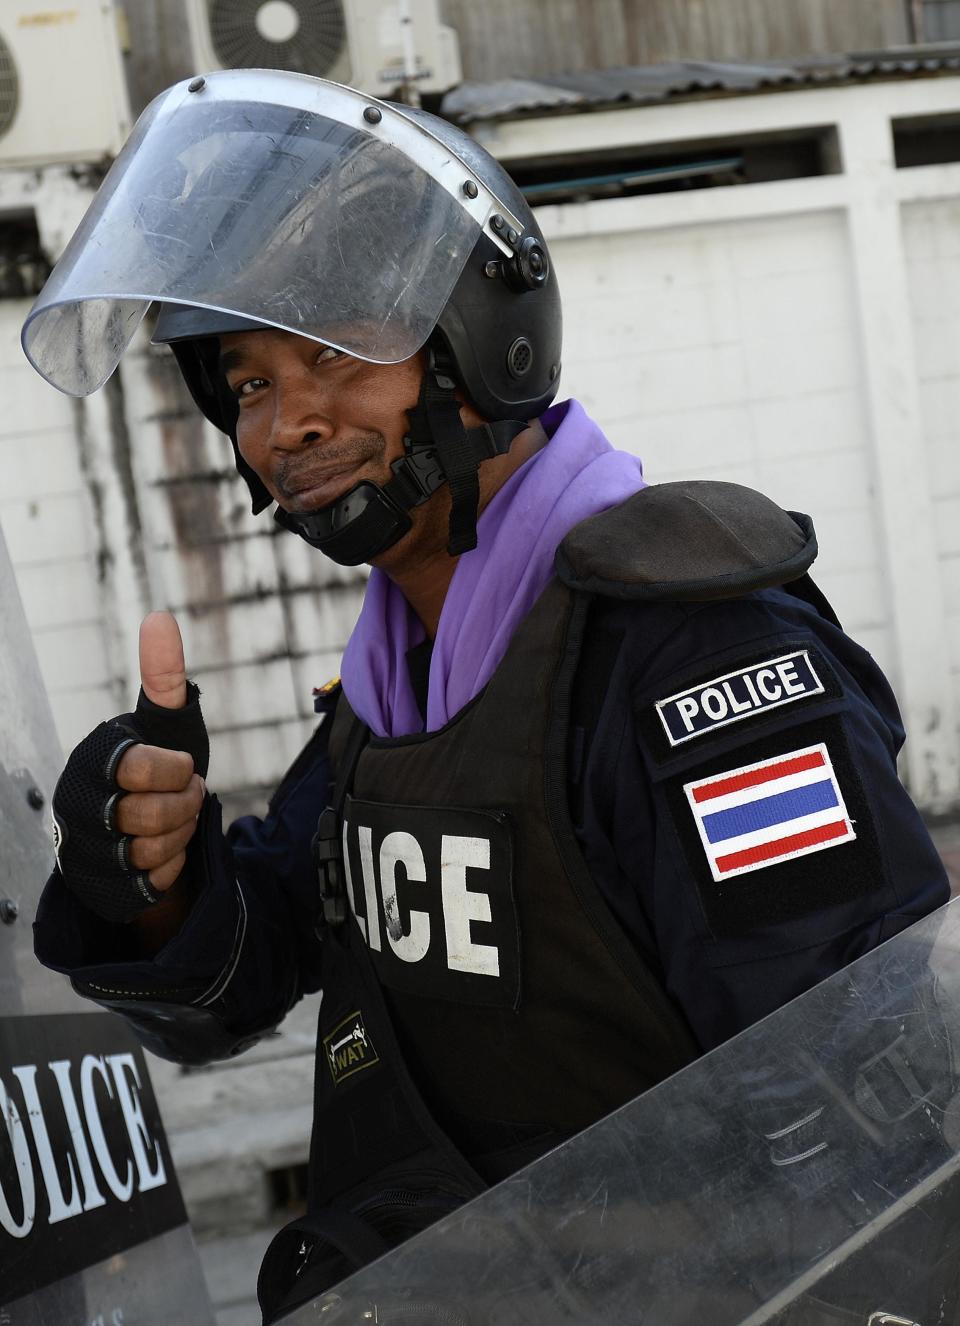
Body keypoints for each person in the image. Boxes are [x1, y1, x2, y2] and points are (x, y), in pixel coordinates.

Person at [22, 69, 949, 1320]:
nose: (288, 420)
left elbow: (865, 1114)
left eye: (335, 349)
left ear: (477, 340)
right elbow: (240, 983)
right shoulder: (388, 694)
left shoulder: (694, 656)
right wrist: (154, 877)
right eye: (247, 384)